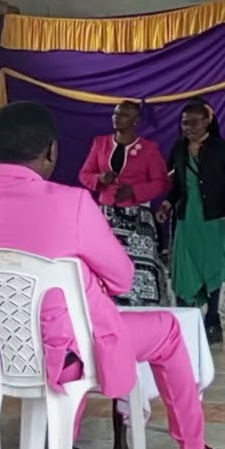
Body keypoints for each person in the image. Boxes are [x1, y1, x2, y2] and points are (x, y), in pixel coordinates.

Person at [0, 102, 225, 449]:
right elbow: (123, 279)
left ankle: (58, 442)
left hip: (2, 346)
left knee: (69, 324)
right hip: (66, 349)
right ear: (51, 150)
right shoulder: (71, 203)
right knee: (165, 330)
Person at [158, 100, 225, 345]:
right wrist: (167, 204)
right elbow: (176, 185)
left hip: (213, 218)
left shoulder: (220, 148)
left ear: (207, 121)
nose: (188, 127)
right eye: (184, 123)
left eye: (194, 122)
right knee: (186, 270)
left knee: (212, 269)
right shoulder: (179, 148)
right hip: (187, 219)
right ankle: (188, 320)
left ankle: (213, 319)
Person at [79, 100, 171, 308]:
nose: (117, 118)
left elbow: (161, 182)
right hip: (107, 217)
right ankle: (110, 306)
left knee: (140, 266)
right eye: (115, 113)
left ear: (136, 121)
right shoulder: (100, 143)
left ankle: (143, 307)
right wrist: (100, 179)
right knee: (107, 263)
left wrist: (135, 191)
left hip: (138, 217)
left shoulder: (149, 149)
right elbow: (84, 175)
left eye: (123, 115)